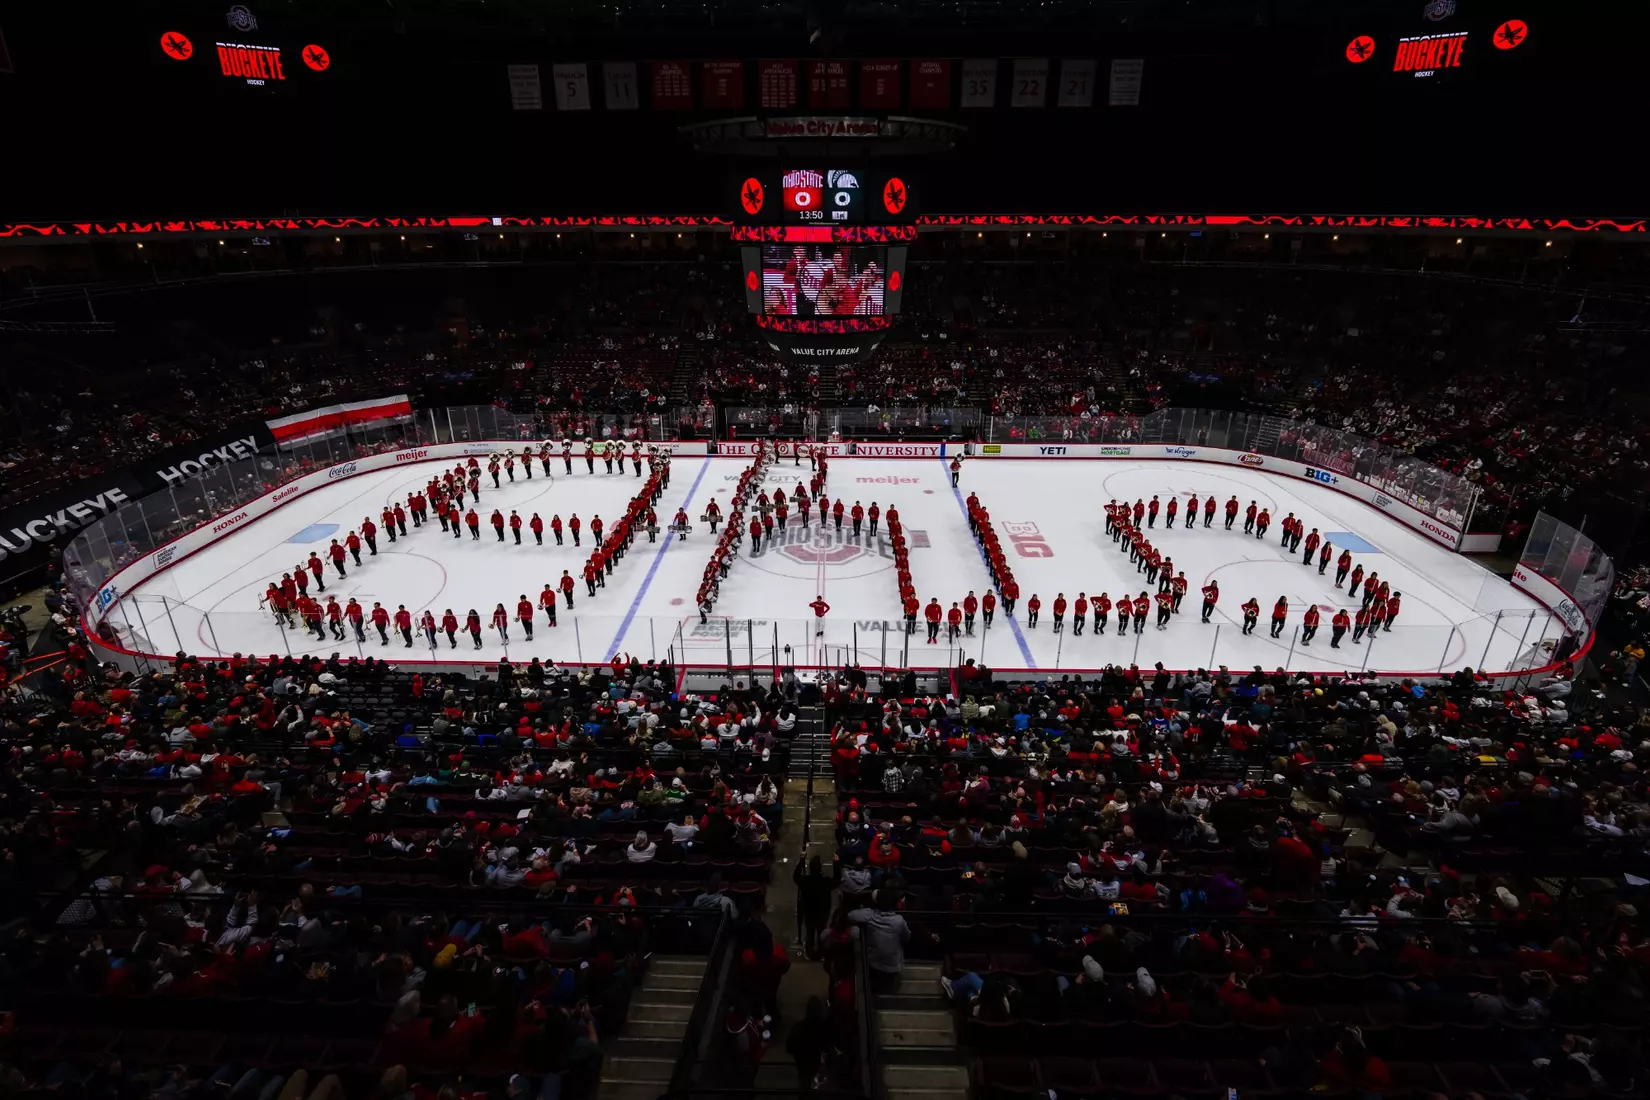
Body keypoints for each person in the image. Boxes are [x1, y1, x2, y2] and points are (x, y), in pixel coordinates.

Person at [848, 895, 911, 993]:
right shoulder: (899, 920)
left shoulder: (870, 916)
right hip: (892, 963)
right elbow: (907, 937)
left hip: (874, 963)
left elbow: (851, 915)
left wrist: (868, 911)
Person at [786, 997, 835, 1091]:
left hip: (805, 1068)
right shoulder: (825, 1029)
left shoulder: (799, 1028)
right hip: (818, 1070)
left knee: (805, 1091)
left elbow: (789, 1048)